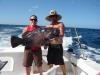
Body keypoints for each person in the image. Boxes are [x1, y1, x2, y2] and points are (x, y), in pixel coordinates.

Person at [45, 10, 67, 75]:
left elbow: (62, 34)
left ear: (57, 17)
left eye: (54, 16)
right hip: (50, 46)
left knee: (60, 62)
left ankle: (64, 74)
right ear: (50, 18)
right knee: (50, 61)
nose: (53, 17)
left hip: (58, 46)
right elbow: (45, 36)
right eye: (51, 16)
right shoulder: (48, 26)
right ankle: (51, 73)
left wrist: (56, 38)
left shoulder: (60, 24)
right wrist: (45, 43)